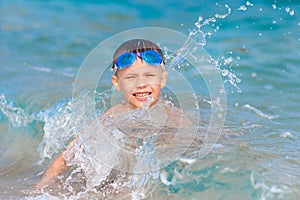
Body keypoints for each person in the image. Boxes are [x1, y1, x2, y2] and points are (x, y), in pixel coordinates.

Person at [36, 39, 170, 190]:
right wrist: (42, 187)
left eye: (149, 76)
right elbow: (70, 153)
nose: (141, 84)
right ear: (117, 83)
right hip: (113, 182)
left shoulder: (171, 115)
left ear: (162, 79)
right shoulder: (114, 115)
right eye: (131, 78)